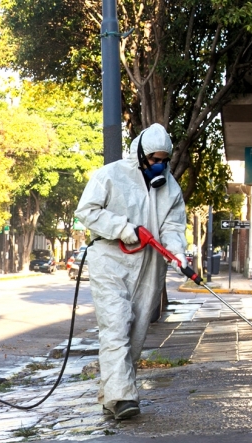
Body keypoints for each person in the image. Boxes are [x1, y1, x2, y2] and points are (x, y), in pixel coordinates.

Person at [75, 123, 187, 421]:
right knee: (116, 325)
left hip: (149, 265)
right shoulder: (110, 175)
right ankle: (123, 397)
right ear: (140, 154)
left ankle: (112, 393)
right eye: (154, 159)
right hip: (111, 260)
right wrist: (124, 228)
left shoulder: (170, 187)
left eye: (164, 159)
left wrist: (178, 255)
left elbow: (173, 226)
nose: (159, 164)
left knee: (135, 332)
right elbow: (86, 211)